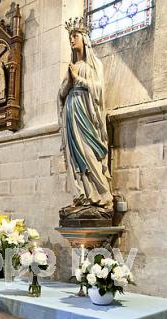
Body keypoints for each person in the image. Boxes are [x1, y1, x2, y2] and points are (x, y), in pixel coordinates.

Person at [58, 18, 113, 209]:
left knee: (89, 152)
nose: (72, 40)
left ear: (84, 38)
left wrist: (77, 79)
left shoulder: (95, 64)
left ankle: (103, 195)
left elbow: (99, 89)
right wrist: (68, 82)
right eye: (70, 37)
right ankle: (82, 194)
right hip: (71, 111)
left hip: (87, 113)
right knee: (76, 155)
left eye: (75, 36)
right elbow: (62, 93)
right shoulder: (71, 65)